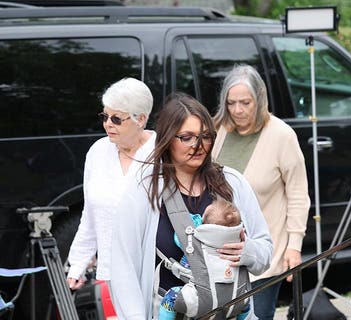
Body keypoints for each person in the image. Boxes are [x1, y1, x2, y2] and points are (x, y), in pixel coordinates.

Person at [110, 92, 272, 319]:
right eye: (187, 137)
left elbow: (265, 251)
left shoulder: (232, 182)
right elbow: (122, 267)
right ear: (167, 139)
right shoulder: (143, 191)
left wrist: (247, 252)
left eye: (205, 136)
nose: (198, 146)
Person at [211, 65, 310, 320]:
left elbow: (298, 194)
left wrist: (294, 246)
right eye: (231, 103)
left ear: (260, 98)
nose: (238, 110)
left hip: (263, 259)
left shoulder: (281, 135)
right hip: (220, 257)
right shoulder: (219, 129)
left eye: (245, 102)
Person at [66, 77, 155, 289]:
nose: (107, 123)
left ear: (140, 119)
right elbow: (90, 214)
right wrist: (79, 263)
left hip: (156, 272)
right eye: (105, 116)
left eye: (116, 119)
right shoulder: (98, 151)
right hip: (112, 271)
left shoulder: (161, 153)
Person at [158, 200, 244, 320]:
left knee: (171, 298)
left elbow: (178, 238)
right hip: (233, 300)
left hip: (201, 299)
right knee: (245, 303)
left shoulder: (197, 240)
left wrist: (194, 223)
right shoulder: (238, 243)